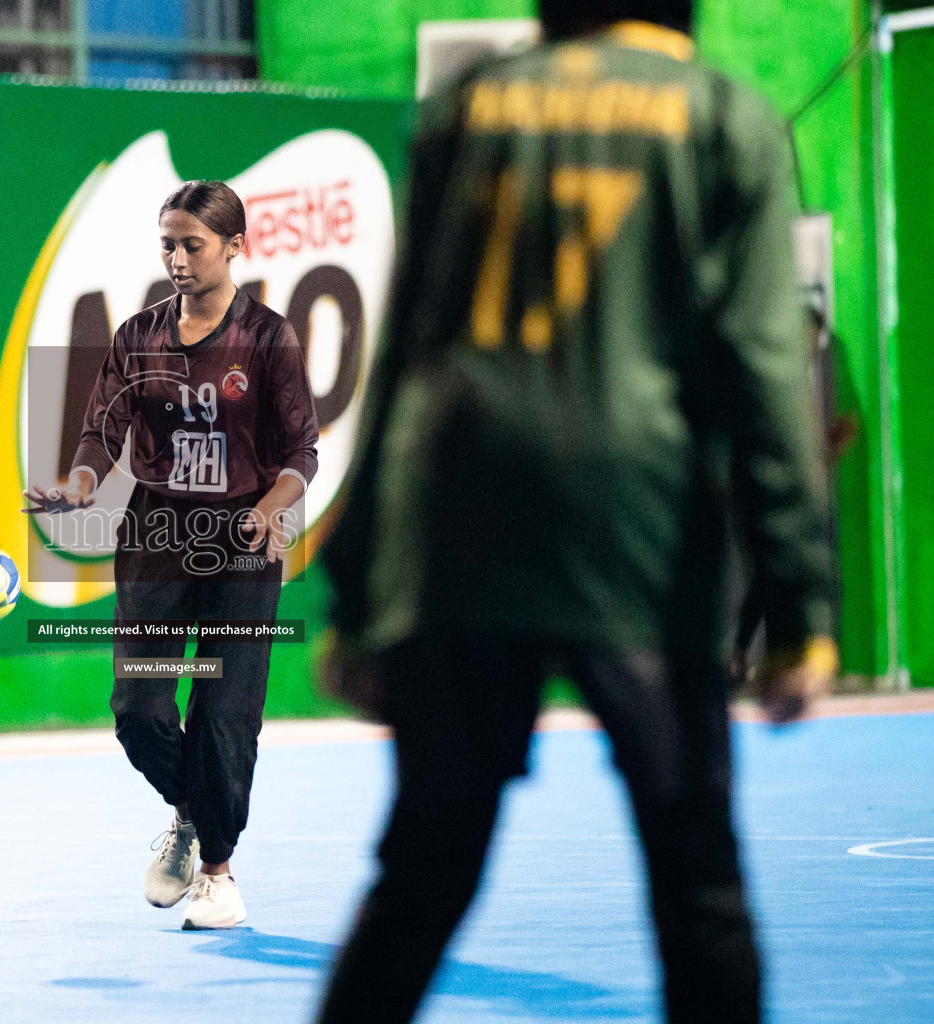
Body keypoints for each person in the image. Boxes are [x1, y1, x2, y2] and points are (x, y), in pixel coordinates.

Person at [315, 3, 838, 1023]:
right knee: (698, 880)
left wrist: (357, 591)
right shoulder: (722, 116)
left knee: (427, 865)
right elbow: (769, 374)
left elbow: (403, 359)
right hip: (637, 534)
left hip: (460, 529)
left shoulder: (467, 107)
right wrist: (801, 604)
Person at [25, 181, 320, 930]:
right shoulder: (136, 336)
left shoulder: (269, 338)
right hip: (156, 539)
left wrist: (264, 510)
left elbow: (301, 456)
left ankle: (217, 873)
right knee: (140, 710)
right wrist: (82, 485)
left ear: (233, 246)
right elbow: (100, 431)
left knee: (225, 715)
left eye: (193, 244)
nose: (178, 258)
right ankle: (190, 813)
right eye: (167, 243)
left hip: (245, 546)